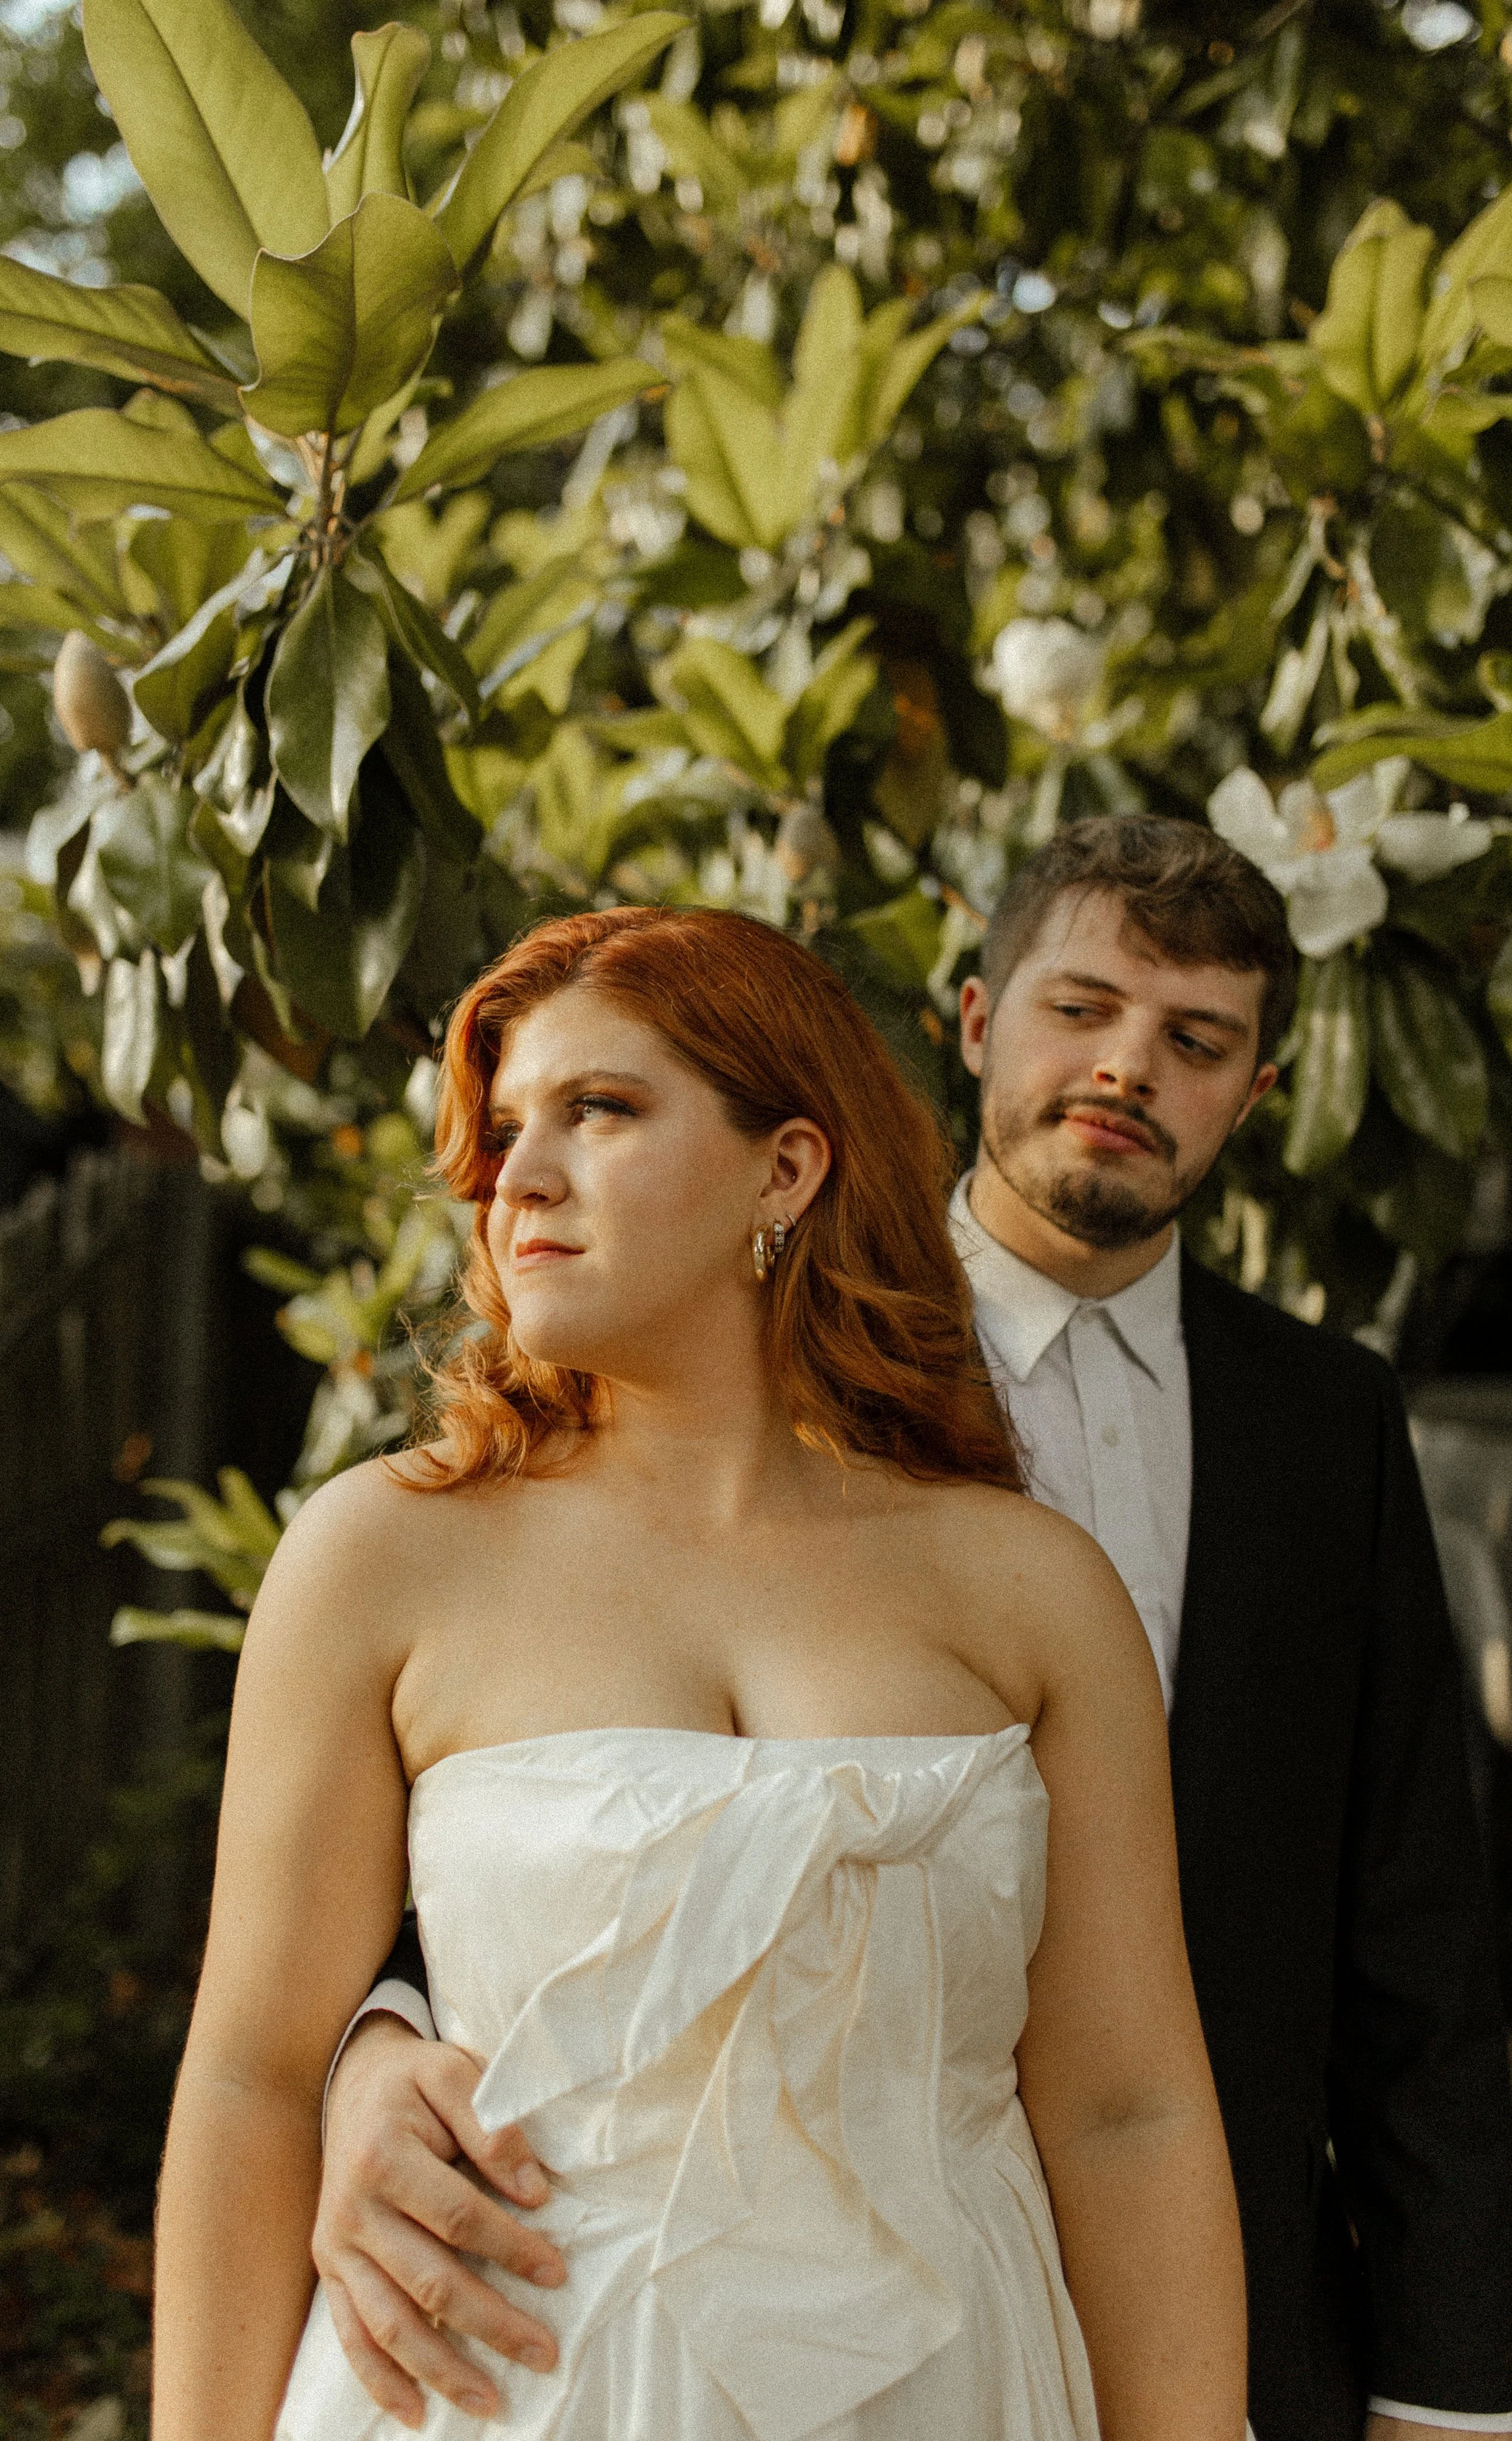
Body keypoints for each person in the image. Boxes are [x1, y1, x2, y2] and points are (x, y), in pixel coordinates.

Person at [313, 825, 1512, 2441]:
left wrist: (1446, 2399)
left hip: (1168, 2322)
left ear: (1256, 1091)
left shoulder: (1325, 1422)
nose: (1124, 1070)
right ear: (971, 1023)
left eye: (1194, 1041)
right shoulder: (718, 1336)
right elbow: (547, 1777)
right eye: (1077, 1010)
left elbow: (1412, 1929)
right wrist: (371, 2041)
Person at [151, 904, 1248, 2441]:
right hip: (506, 2393)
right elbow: (253, 2085)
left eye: (598, 1111)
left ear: (785, 1169)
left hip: (948, 2392)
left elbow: (1124, 2113)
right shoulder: (380, 1557)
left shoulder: (1029, 1590)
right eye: (505, 1132)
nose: (517, 1175)